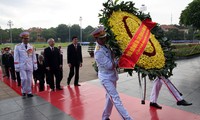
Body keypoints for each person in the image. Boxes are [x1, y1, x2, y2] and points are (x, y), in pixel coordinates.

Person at [92, 26, 133, 120]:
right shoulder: (98, 52)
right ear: (96, 39)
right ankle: (127, 118)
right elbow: (110, 65)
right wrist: (120, 59)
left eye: (104, 37)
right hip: (105, 77)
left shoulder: (105, 45)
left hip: (111, 75)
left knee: (109, 97)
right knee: (115, 98)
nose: (104, 39)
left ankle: (105, 117)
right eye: (101, 38)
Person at [14, 31, 38, 98]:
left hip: (30, 65)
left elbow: (34, 56)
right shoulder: (18, 47)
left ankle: (29, 92)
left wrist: (35, 64)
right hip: (22, 65)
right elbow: (16, 57)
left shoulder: (31, 46)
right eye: (24, 38)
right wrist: (17, 66)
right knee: (24, 79)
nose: (26, 40)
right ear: (22, 39)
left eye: (27, 38)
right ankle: (24, 91)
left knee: (29, 79)